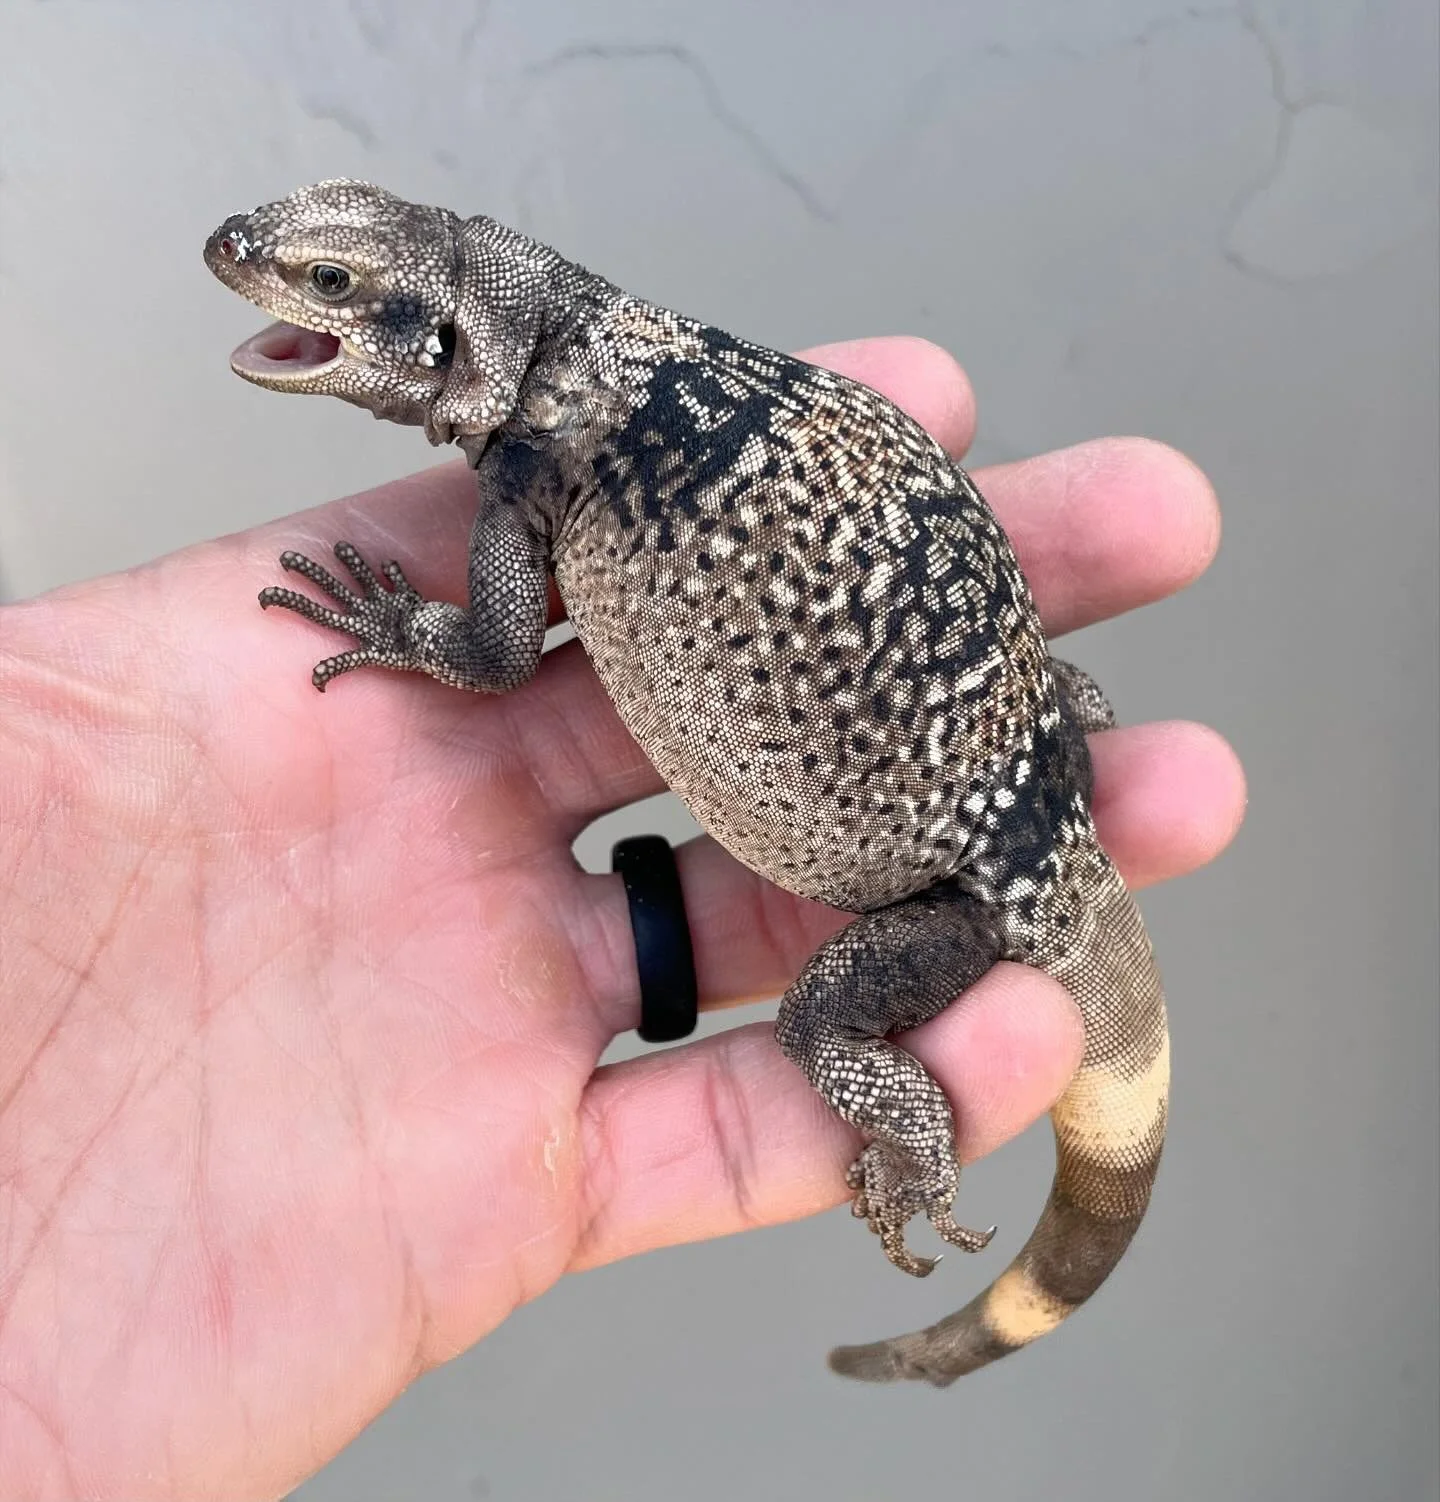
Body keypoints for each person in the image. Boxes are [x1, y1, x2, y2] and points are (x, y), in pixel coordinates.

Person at [0, 337, 1243, 1500]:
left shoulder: (541, 454)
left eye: (336, 289)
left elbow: (491, 656)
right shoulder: (664, 371)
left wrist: (390, 625)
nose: (286, 293)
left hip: (966, 886)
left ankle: (915, 1147)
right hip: (1034, 764)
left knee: (822, 1022)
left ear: (439, 338)